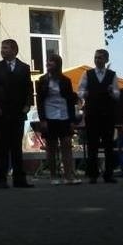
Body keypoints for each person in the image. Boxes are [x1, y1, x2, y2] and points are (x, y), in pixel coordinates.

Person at [0, 39, 34, 189]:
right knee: (2, 147)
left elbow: (28, 89)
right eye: (2, 48)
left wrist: (27, 105)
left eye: (5, 48)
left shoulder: (24, 68)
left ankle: (19, 179)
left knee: (16, 147)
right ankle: (0, 179)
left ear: (14, 50)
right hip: (1, 113)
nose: (2, 50)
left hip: (18, 113)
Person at [34, 54, 80, 185]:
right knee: (51, 147)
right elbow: (40, 101)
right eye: (47, 63)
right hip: (49, 116)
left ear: (58, 65)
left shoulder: (66, 80)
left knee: (66, 144)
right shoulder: (42, 80)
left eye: (51, 63)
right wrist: (42, 119)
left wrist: (72, 120)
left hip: (64, 115)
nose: (48, 65)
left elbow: (70, 101)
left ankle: (68, 176)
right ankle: (53, 176)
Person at [78, 49, 121, 184]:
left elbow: (117, 94)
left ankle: (109, 174)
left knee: (109, 145)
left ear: (106, 60)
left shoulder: (112, 75)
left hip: (108, 114)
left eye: (100, 58)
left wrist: (111, 91)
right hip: (92, 114)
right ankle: (93, 174)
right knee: (92, 145)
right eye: (96, 58)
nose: (97, 60)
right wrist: (85, 94)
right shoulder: (87, 74)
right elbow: (80, 90)